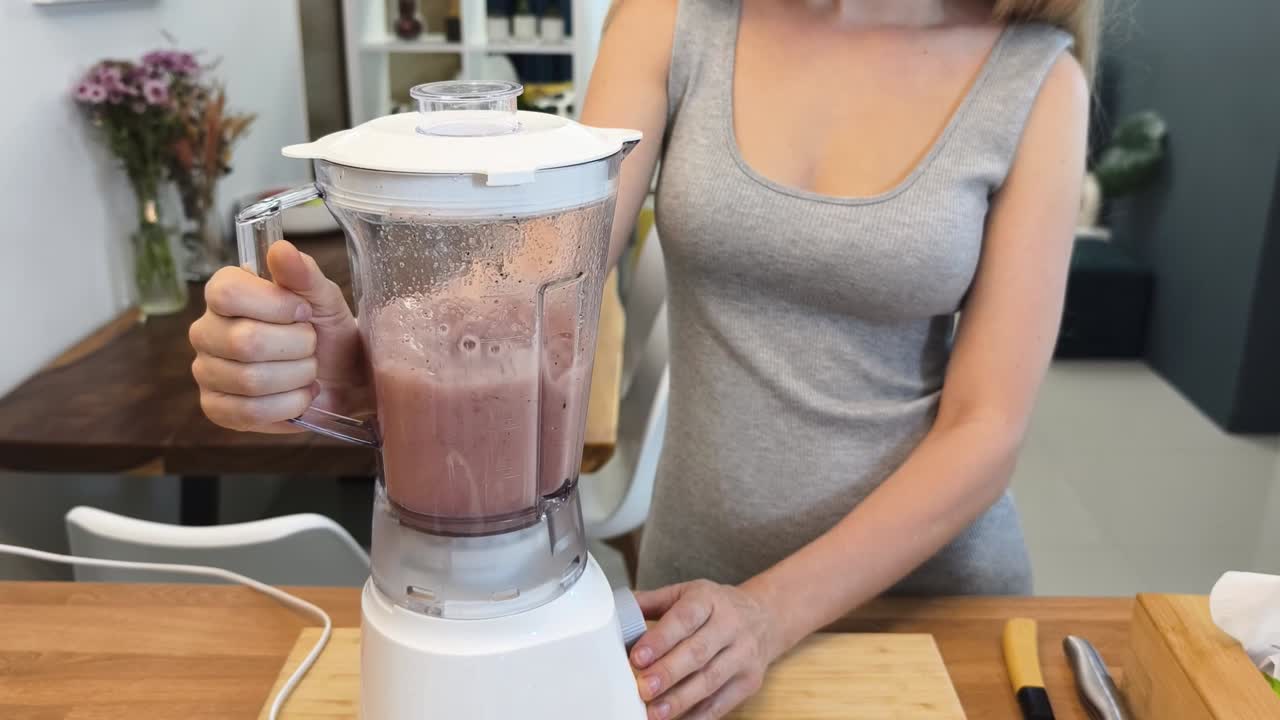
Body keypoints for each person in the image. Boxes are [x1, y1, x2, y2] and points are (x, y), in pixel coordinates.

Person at [189, 0, 1095, 717]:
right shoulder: (679, 17)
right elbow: (539, 274)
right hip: (697, 601)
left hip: (925, 610)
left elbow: (986, 430)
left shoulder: (1037, 80)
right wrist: (383, 361)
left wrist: (772, 612)